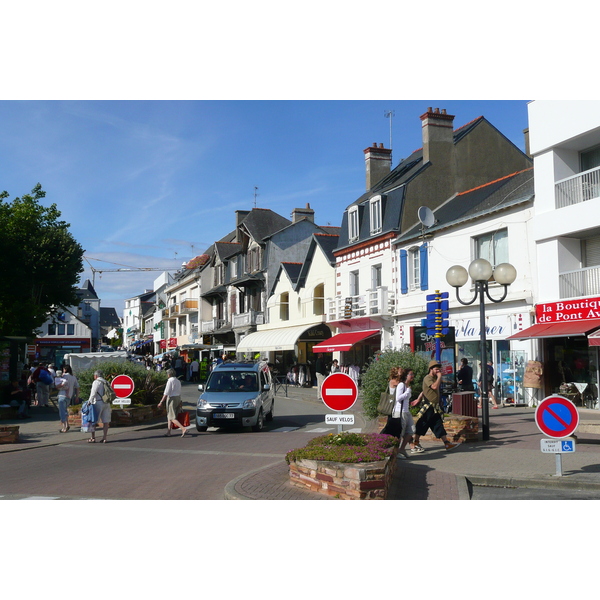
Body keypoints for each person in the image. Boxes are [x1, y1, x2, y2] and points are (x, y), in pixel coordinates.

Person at [412, 360, 458, 452]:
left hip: (435, 406)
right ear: (430, 369)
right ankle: (415, 443)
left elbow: (424, 391)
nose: (438, 371)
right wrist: (439, 377)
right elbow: (434, 387)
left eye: (439, 370)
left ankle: (446, 443)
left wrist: (419, 398)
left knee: (437, 424)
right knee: (422, 424)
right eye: (436, 369)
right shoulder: (428, 378)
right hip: (428, 406)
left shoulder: (434, 379)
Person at [382, 367, 418, 458]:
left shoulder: (405, 385)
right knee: (399, 433)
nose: (412, 376)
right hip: (399, 411)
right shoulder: (400, 384)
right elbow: (398, 398)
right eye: (411, 374)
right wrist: (408, 390)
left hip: (406, 411)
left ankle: (401, 449)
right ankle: (396, 452)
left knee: (411, 430)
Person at [158, 368, 188, 437]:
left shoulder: (170, 381)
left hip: (171, 398)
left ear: (169, 374)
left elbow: (166, 392)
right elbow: (179, 391)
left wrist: (161, 402)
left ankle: (183, 429)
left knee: (172, 417)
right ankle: (168, 432)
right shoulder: (178, 381)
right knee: (170, 416)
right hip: (177, 398)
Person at [87, 370, 112, 443]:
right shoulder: (106, 382)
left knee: (93, 420)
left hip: (98, 402)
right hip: (106, 402)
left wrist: (89, 401)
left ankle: (93, 437)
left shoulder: (96, 382)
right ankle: (104, 438)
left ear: (96, 376)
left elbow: (93, 392)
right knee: (106, 421)